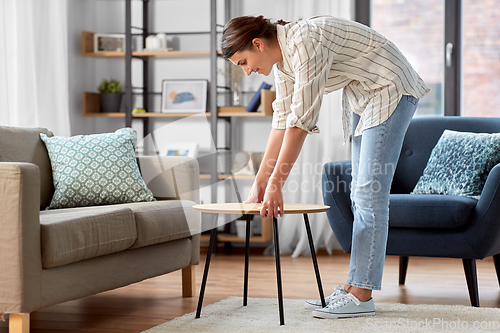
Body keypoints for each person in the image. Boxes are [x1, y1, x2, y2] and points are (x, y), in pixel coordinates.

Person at [221, 15, 429, 319]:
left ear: (257, 44)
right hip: (363, 95)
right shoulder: (283, 64)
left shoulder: (304, 41)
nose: (248, 70)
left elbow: (300, 124)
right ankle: (353, 287)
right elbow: (281, 123)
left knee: (369, 195)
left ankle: (362, 294)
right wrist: (260, 183)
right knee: (361, 196)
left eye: (243, 62)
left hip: (389, 87)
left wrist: (276, 185)